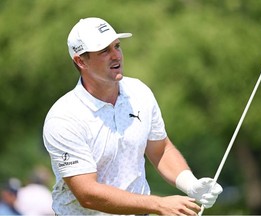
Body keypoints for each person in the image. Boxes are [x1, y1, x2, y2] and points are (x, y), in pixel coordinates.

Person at [43, 17, 223, 215]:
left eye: (117, 46)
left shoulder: (139, 92)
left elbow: (160, 149)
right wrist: (158, 204)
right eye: (104, 51)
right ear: (80, 61)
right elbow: (87, 194)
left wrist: (190, 184)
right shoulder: (64, 117)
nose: (116, 56)